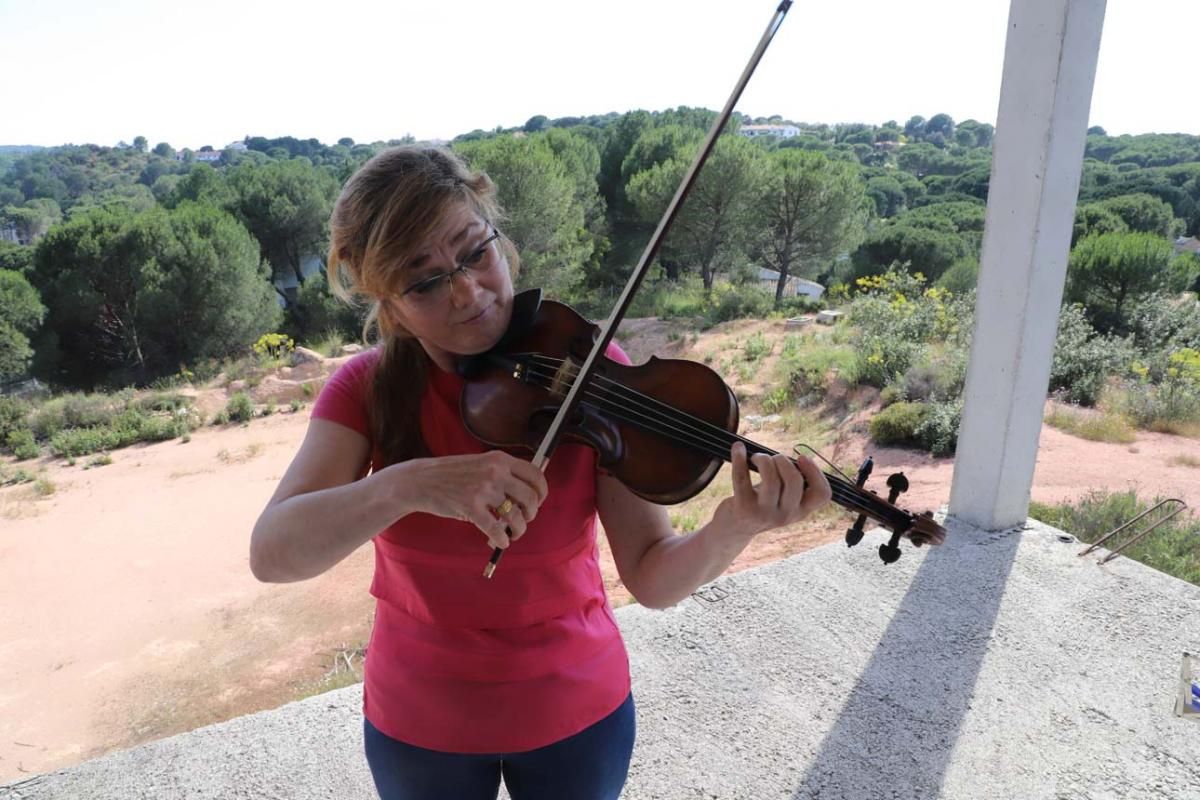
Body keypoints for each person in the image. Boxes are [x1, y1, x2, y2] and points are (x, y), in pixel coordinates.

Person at [249, 145, 835, 800]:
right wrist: (408, 483)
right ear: (385, 298)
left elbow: (651, 575)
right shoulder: (367, 389)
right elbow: (273, 554)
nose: (468, 291)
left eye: (474, 252)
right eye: (424, 282)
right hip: (419, 718)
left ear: (500, 239)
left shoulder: (588, 366)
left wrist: (734, 526)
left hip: (577, 709)